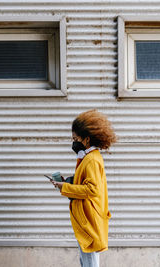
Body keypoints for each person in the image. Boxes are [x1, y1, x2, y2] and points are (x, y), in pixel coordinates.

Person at [51, 109, 116, 267]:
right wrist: (69, 182)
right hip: (86, 218)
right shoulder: (88, 158)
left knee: (89, 262)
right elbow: (85, 182)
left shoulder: (92, 160)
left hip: (89, 218)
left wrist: (65, 187)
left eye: (76, 138)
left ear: (87, 139)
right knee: (87, 260)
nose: (73, 142)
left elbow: (92, 190)